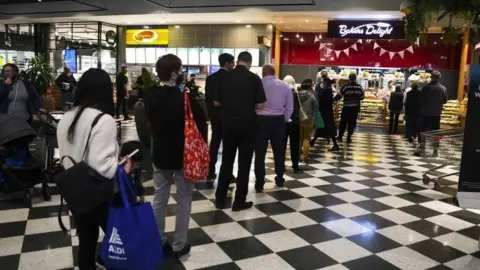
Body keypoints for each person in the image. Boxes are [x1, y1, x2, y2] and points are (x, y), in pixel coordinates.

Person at [56, 68, 133, 269]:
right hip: (98, 194)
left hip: (75, 191)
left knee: (86, 243)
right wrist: (123, 165)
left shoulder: (67, 117)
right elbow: (103, 167)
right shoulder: (103, 120)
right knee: (120, 241)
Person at [144, 54, 193, 258]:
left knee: (159, 199)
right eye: (180, 70)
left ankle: (159, 240)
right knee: (184, 199)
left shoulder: (150, 95)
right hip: (182, 155)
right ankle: (179, 243)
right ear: (174, 73)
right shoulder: (183, 97)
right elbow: (196, 120)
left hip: (160, 155)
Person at [214, 51, 266, 211]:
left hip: (228, 125)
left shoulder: (225, 77)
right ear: (249, 62)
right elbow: (260, 105)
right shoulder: (254, 79)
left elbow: (216, 102)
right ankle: (239, 201)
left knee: (226, 162)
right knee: (244, 165)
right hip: (247, 126)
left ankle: (220, 199)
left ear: (237, 61)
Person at [254, 65, 293, 192]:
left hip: (260, 120)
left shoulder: (258, 84)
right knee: (279, 151)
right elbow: (290, 107)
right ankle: (280, 178)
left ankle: (260, 182)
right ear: (274, 72)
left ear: (263, 73)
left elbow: (253, 103)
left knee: (260, 152)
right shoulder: (284, 86)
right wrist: (284, 119)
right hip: (278, 120)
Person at [205, 53, 235, 180]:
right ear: (227, 63)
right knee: (229, 145)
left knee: (215, 143)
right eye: (233, 63)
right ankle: (228, 174)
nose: (234, 65)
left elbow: (207, 98)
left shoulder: (211, 78)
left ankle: (210, 171)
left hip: (214, 116)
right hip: (228, 116)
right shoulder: (231, 77)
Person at [311, 71, 340, 151]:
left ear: (321, 76)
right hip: (327, 109)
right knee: (328, 126)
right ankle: (334, 144)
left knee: (320, 125)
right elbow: (331, 98)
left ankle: (314, 140)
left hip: (321, 108)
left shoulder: (318, 86)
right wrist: (333, 100)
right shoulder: (328, 86)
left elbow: (317, 96)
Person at [337, 73, 364, 143]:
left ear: (349, 78)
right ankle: (348, 138)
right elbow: (362, 97)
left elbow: (340, 95)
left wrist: (333, 100)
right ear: (355, 79)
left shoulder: (346, 87)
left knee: (343, 122)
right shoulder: (359, 87)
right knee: (352, 123)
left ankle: (340, 137)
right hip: (355, 108)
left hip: (346, 108)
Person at [283, 75, 302, 173]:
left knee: (282, 145)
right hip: (294, 122)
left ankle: (281, 165)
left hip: (284, 122)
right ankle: (295, 166)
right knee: (294, 145)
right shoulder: (295, 93)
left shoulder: (282, 93)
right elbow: (297, 108)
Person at [298, 79, 318, 163]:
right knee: (306, 138)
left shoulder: (297, 95)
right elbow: (316, 107)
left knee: (299, 138)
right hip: (309, 119)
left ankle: (298, 155)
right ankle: (305, 156)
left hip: (298, 118)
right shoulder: (312, 96)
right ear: (310, 87)